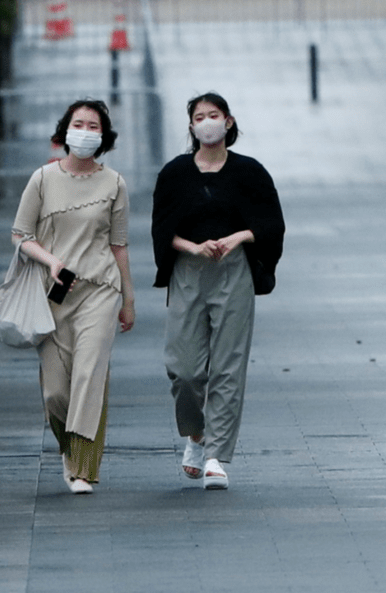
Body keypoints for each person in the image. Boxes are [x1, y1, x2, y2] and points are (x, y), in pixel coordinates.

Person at [151, 92, 284, 490]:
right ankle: (195, 434)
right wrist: (192, 247)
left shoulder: (250, 172)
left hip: (233, 271)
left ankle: (215, 456)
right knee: (185, 370)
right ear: (190, 126)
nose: (207, 121)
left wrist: (239, 237)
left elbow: (271, 223)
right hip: (189, 273)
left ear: (228, 121)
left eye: (214, 115)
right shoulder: (175, 174)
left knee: (228, 365)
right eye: (199, 116)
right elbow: (161, 230)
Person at [11, 99, 136, 495]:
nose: (85, 131)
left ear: (103, 136)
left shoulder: (114, 183)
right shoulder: (43, 179)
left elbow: (119, 246)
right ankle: (69, 448)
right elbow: (20, 235)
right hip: (53, 295)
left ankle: (83, 469)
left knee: (88, 375)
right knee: (55, 392)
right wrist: (50, 262)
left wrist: (128, 299)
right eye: (78, 123)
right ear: (65, 131)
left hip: (100, 290)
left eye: (93, 125)